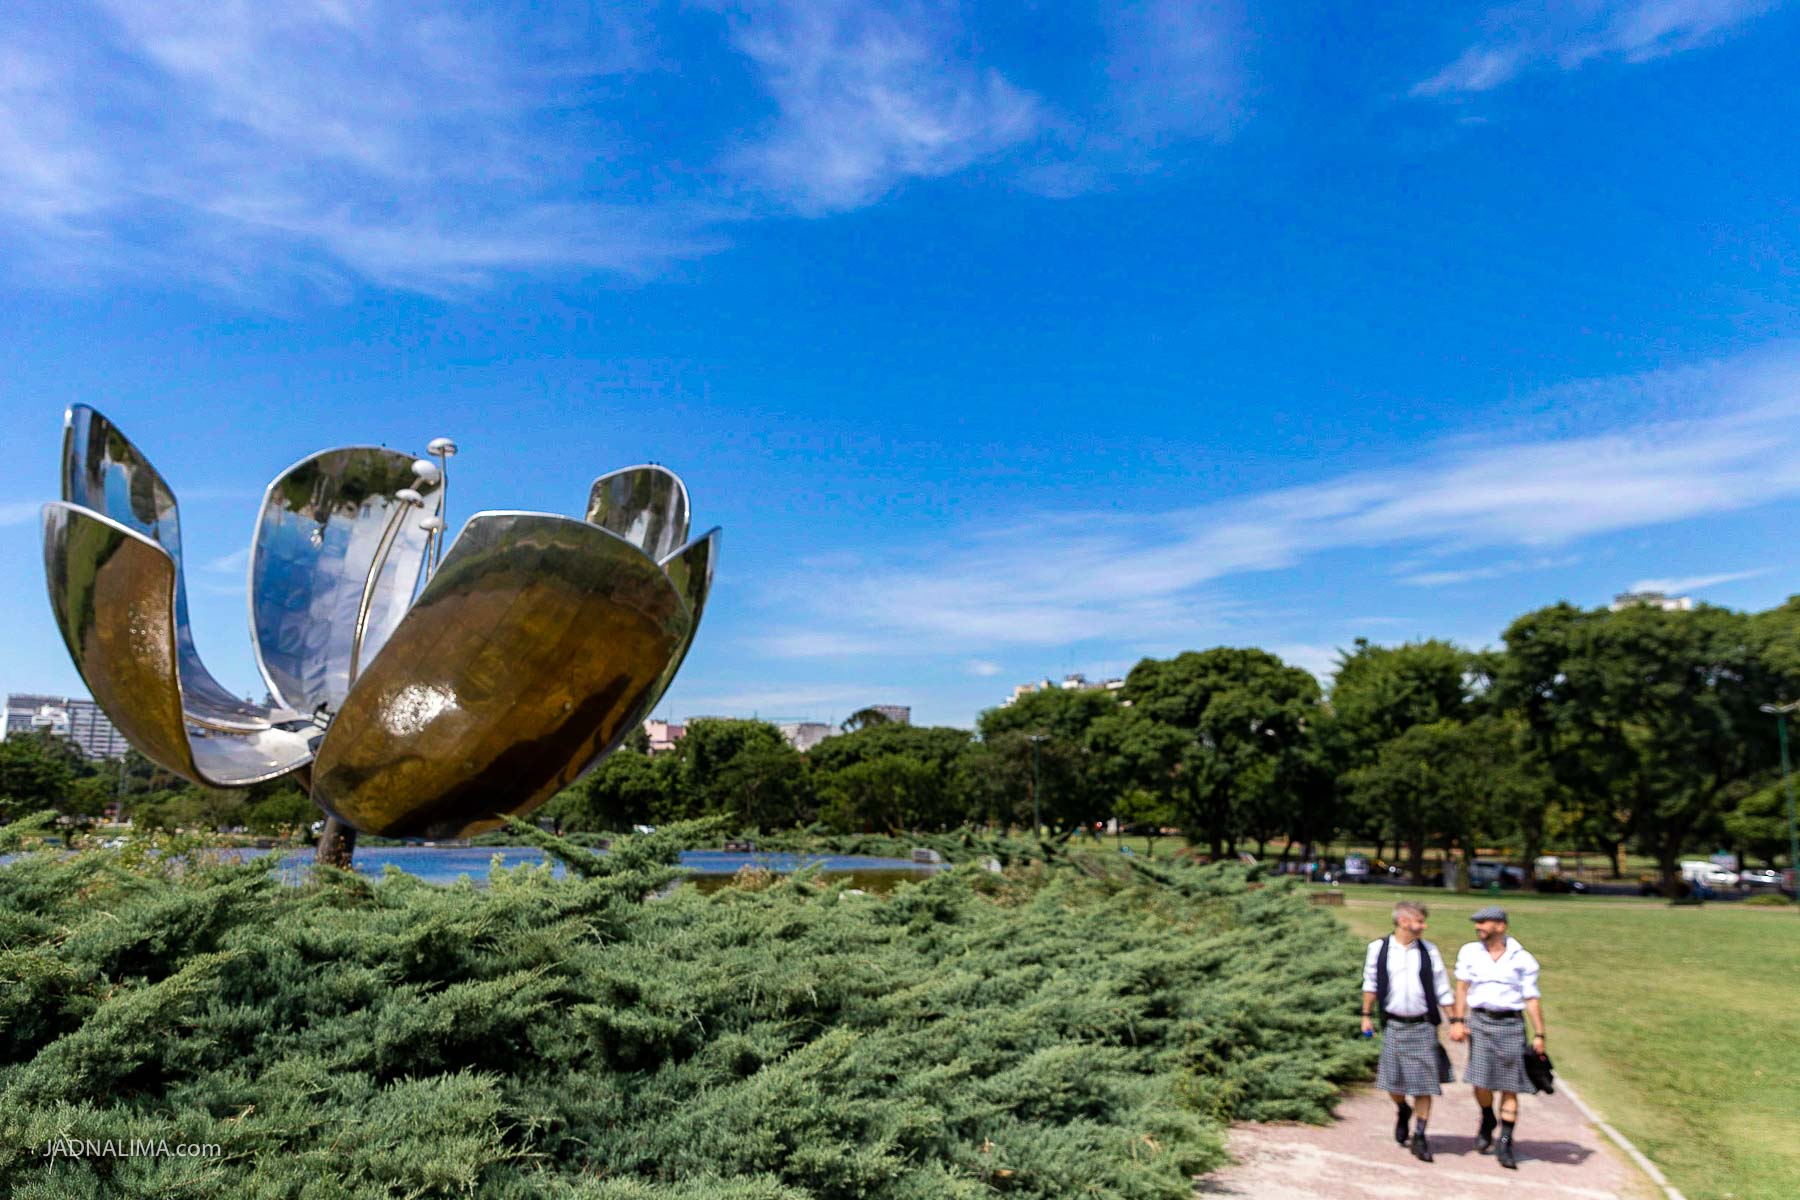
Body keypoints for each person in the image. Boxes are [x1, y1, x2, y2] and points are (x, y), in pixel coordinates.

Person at [1448, 905, 1547, 1170]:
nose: (1478, 927)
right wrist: (1458, 1020)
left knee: (1509, 1085)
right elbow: (1461, 987)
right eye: (1477, 923)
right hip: (1480, 1022)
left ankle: (1505, 1141)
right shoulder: (1469, 952)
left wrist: (1539, 1033)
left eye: (1484, 922)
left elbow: (1531, 997)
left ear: (1500, 926)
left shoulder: (1522, 958)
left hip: (1511, 1024)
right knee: (1479, 1081)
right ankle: (1487, 1116)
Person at [1360, 900, 1455, 1162]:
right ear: (1403, 921)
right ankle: (1402, 1109)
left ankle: (1421, 1135)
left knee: (1425, 1085)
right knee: (1393, 1081)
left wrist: (1455, 1020)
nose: (1423, 926)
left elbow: (1442, 989)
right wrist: (1366, 1015)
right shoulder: (1378, 949)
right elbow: (1370, 983)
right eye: (1419, 921)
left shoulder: (1428, 951)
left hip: (1423, 1025)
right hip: (1394, 1024)